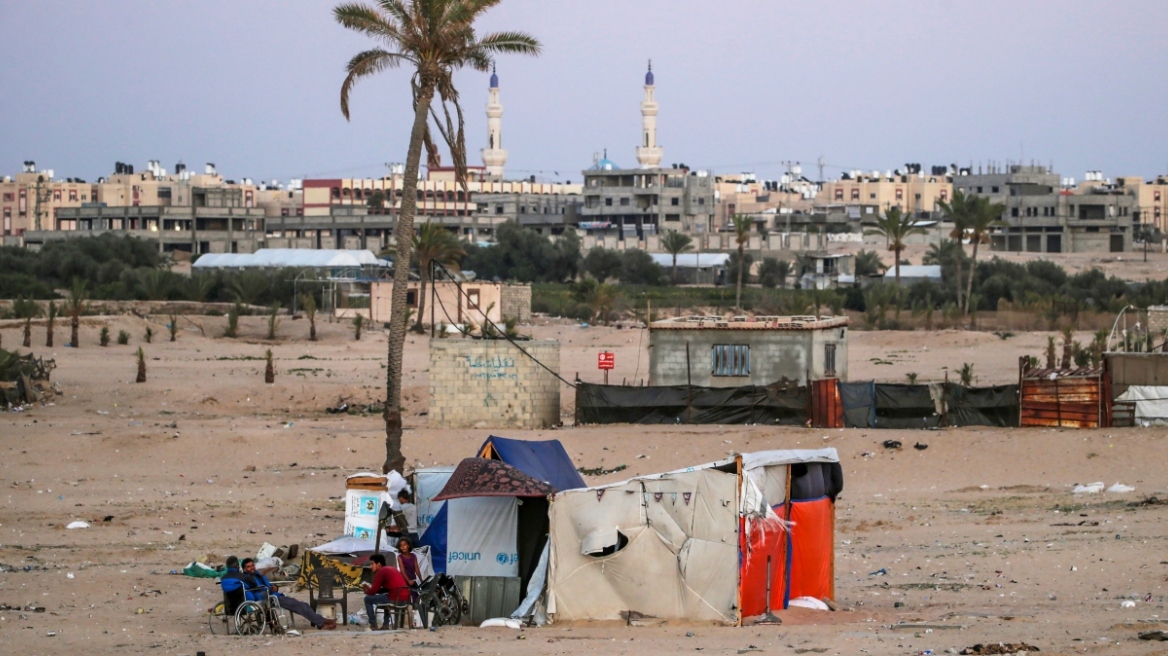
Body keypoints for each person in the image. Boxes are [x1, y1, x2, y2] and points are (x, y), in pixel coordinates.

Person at [241, 558, 337, 630]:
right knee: (299, 605)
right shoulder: (247, 579)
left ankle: (321, 621)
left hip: (274, 595)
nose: (251, 568)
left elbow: (270, 586)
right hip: (267, 599)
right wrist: (268, 590)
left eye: (252, 565)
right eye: (248, 567)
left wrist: (275, 587)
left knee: (303, 604)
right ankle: (322, 623)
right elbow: (255, 592)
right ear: (244, 569)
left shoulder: (258, 575)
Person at [362, 553, 410, 630]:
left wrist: (367, 590)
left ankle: (373, 625)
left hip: (395, 599)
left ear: (378, 564)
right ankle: (385, 625)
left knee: (367, 599)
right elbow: (387, 589)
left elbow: (372, 592)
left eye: (372, 564)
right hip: (405, 599)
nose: (370, 566)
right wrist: (372, 590)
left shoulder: (381, 572)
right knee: (386, 596)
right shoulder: (392, 569)